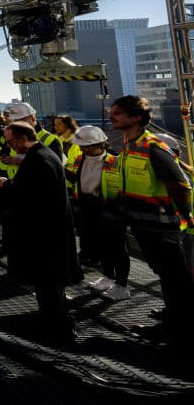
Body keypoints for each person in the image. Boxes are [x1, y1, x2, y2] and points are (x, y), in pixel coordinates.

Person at [108, 95, 194, 346]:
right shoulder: (129, 146)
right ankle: (174, 323)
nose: (112, 115)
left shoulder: (153, 147)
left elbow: (180, 185)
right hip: (144, 226)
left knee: (175, 280)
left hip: (162, 228)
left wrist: (184, 215)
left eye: (118, 113)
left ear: (136, 118)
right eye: (111, 111)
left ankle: (181, 333)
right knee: (167, 277)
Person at [0, 122, 81, 345]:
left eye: (11, 142)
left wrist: (6, 186)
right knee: (47, 285)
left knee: (49, 285)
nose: (10, 147)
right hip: (48, 233)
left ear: (22, 139)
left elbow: (33, 196)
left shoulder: (40, 160)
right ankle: (56, 324)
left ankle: (58, 329)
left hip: (45, 235)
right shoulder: (42, 156)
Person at [66, 126, 131, 300]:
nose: (82, 149)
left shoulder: (115, 161)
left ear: (101, 144)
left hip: (111, 209)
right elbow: (76, 179)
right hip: (88, 207)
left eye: (87, 146)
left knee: (117, 248)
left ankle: (122, 286)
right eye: (81, 145)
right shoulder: (80, 159)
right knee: (102, 246)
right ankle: (108, 277)